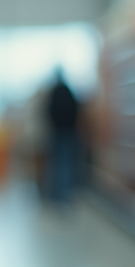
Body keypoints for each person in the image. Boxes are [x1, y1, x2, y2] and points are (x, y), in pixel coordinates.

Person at [44, 70, 80, 204]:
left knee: (57, 164)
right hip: (69, 132)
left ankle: (57, 194)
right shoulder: (69, 92)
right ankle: (65, 194)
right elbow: (76, 109)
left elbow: (48, 111)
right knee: (67, 164)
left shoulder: (54, 92)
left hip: (57, 132)